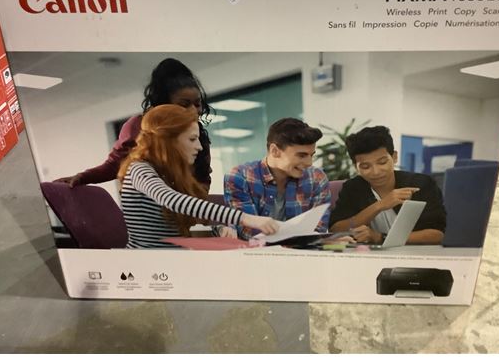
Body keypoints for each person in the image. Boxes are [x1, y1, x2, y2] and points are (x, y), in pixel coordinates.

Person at [118, 105, 279, 248]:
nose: (199, 146)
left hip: (173, 260)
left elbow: (177, 233)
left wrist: (217, 230)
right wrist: (246, 218)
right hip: (146, 264)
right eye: (192, 139)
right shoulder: (139, 169)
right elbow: (171, 200)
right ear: (167, 141)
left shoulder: (170, 177)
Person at [57, 58, 212, 188]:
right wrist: (84, 177)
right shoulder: (139, 126)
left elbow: (203, 177)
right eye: (184, 104)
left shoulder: (197, 134)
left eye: (197, 104)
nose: (194, 111)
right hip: (154, 206)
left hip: (185, 208)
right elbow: (115, 164)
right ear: (163, 104)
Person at [329, 125, 446, 244]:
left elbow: (437, 234)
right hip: (367, 254)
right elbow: (335, 229)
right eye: (365, 166)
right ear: (356, 167)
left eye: (382, 162)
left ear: (394, 157)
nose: (376, 172)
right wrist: (379, 206)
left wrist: (381, 237)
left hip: (416, 253)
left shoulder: (421, 184)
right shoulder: (352, 188)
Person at [224, 117, 331, 239]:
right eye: (302, 155)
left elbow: (318, 231)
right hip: (254, 249)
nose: (309, 163)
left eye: (311, 155)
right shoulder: (240, 177)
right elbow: (248, 232)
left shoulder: (317, 178)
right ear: (275, 151)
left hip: (301, 249)